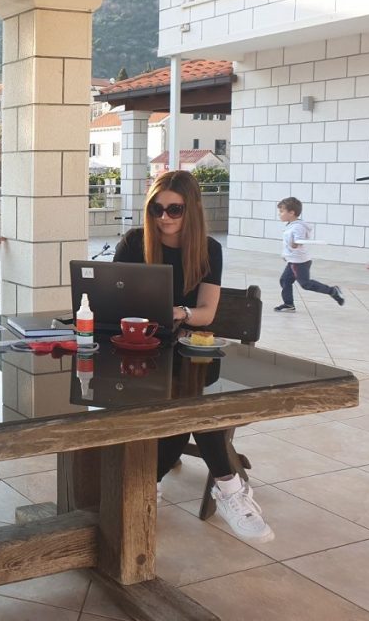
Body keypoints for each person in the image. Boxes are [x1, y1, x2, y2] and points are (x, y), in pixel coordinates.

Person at [113, 170, 273, 543]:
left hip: (184, 350)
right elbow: (112, 297)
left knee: (188, 400)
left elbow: (206, 313)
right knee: (188, 404)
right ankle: (228, 487)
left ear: (192, 209)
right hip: (138, 351)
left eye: (174, 209)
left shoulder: (208, 250)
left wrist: (178, 313)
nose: (164, 217)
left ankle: (155, 485)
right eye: (156, 208)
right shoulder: (134, 242)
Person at [274, 196, 345, 312]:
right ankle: (288, 304)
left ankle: (333, 291)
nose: (279, 214)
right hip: (293, 260)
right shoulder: (292, 225)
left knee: (305, 284)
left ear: (291, 213)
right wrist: (286, 255)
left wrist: (295, 244)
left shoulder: (297, 227)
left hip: (299, 262)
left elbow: (298, 241)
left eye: (282, 211)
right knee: (285, 280)